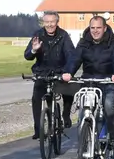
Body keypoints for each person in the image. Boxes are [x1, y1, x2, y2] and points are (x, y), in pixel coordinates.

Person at [61, 14, 114, 144]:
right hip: (89, 81)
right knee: (84, 108)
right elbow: (75, 59)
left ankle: (112, 131)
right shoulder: (83, 43)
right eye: (92, 28)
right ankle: (85, 138)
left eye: (98, 28)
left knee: (108, 106)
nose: (95, 31)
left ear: (105, 28)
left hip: (108, 81)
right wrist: (68, 72)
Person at [23, 11, 75, 141]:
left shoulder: (63, 35)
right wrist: (34, 50)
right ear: (43, 22)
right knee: (36, 98)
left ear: (57, 22)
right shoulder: (38, 35)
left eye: (52, 22)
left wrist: (68, 72)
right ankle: (38, 129)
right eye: (47, 22)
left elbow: (71, 55)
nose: (50, 25)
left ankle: (66, 114)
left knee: (69, 91)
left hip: (59, 72)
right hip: (42, 73)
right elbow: (27, 55)